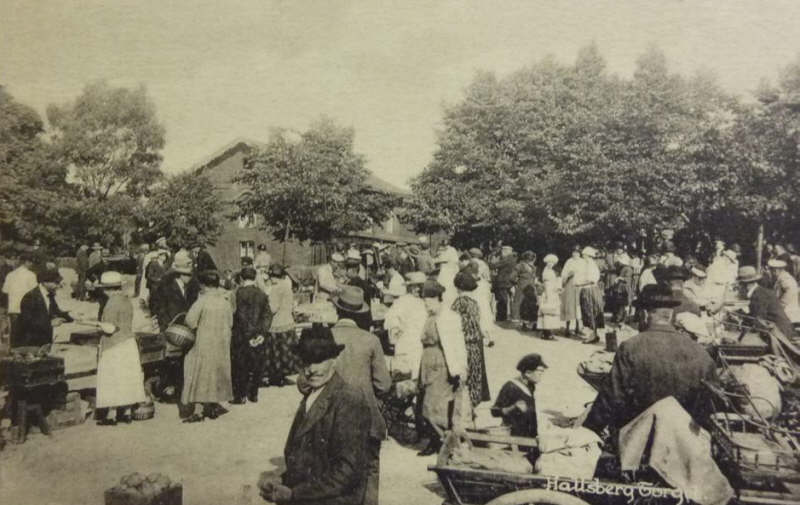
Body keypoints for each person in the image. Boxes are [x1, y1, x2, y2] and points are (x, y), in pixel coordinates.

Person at [583, 284, 717, 434]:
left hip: (639, 437)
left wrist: (589, 430)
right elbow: (710, 403)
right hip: (685, 439)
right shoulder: (700, 352)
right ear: (671, 315)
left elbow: (611, 398)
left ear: (645, 315)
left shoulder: (631, 347)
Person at [258, 326, 370, 505]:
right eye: (306, 361)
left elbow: (347, 472)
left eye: (318, 361)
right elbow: (309, 460)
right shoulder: (313, 395)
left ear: (334, 360)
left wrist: (294, 494)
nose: (311, 369)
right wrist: (283, 480)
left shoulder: (349, 399)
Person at [329, 315, 391, 505]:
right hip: (367, 417)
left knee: (332, 472)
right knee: (370, 467)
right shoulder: (371, 340)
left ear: (337, 310)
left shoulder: (325, 337)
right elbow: (383, 385)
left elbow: (304, 384)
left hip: (331, 417)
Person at [95, 271, 147, 426]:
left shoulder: (111, 304)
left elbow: (110, 328)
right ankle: (126, 412)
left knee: (112, 378)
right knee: (127, 378)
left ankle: (111, 414)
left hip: (114, 345)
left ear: (106, 289)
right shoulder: (126, 300)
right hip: (128, 342)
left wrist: (96, 325)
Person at [182, 270, 234, 423]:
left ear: (203, 285)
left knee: (200, 374)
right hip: (222, 343)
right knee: (217, 373)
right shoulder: (225, 302)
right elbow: (231, 323)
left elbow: (190, 321)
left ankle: (198, 411)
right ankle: (212, 406)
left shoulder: (202, 301)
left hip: (205, 343)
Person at [417, 280, 462, 455]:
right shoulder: (430, 316)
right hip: (427, 363)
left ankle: (442, 440)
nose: (426, 303)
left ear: (438, 298)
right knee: (427, 403)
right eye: (424, 300)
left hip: (440, 364)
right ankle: (435, 440)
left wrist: (457, 369)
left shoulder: (449, 318)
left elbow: (456, 345)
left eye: (429, 300)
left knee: (433, 405)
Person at [438, 271, 490, 416]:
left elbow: (452, 324)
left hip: (465, 343)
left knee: (463, 376)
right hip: (476, 343)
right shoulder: (474, 303)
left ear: (458, 287)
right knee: (475, 376)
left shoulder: (459, 302)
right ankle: (472, 407)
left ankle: (463, 409)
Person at [230, 267, 270, 404]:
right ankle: (254, 394)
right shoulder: (262, 294)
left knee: (240, 366)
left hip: (241, 336)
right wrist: (262, 334)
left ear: (241, 278)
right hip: (258, 336)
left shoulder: (237, 294)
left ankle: (240, 395)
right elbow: (267, 316)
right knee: (257, 365)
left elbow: (239, 316)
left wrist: (248, 336)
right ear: (254, 278)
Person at [491, 353, 547, 439]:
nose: (541, 377)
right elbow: (494, 411)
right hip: (515, 437)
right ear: (528, 373)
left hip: (530, 435)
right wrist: (512, 408)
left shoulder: (530, 386)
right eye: (539, 373)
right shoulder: (510, 387)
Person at [383, 271, 427, 379]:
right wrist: (396, 335)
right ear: (410, 287)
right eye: (416, 287)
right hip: (407, 346)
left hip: (418, 347)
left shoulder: (425, 302)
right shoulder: (401, 302)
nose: (418, 289)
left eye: (421, 286)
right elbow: (391, 324)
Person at [13, 269, 73, 348]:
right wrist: (50, 323)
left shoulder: (49, 295)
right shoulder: (30, 297)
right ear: (44, 282)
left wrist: (72, 318)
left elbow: (56, 311)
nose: (58, 286)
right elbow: (27, 322)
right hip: (30, 342)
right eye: (56, 283)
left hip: (43, 338)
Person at [737, 266, 796, 339]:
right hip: (780, 329)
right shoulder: (760, 292)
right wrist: (743, 315)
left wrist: (742, 321)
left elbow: (758, 321)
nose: (739, 289)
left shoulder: (758, 296)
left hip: (780, 334)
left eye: (739, 285)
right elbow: (758, 315)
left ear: (745, 285)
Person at [264, 264, 299, 386]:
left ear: (273, 276)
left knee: (276, 353)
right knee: (287, 352)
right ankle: (284, 376)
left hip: (277, 324)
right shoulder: (286, 285)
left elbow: (273, 308)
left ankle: (276, 377)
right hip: (288, 322)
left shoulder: (276, 288)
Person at [2, 253, 38, 342]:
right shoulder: (31, 275)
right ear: (27, 262)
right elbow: (35, 293)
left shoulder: (10, 274)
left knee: (14, 332)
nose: (32, 264)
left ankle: (13, 352)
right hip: (26, 308)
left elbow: (5, 291)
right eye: (31, 262)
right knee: (26, 333)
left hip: (13, 307)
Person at [576, 247, 606, 344]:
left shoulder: (591, 265)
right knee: (590, 311)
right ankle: (594, 334)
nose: (583, 257)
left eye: (584, 255)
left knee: (590, 311)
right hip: (589, 289)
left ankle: (592, 335)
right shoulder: (588, 264)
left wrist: (579, 283)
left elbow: (591, 279)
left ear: (588, 256)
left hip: (589, 290)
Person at [768, 259, 800, 323]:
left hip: (789, 313)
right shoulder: (781, 278)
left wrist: (781, 305)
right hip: (786, 313)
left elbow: (791, 291)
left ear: (776, 270)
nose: (771, 273)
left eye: (771, 271)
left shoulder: (785, 279)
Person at [537, 254, 561, 339]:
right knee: (548, 310)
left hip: (552, 292)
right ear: (546, 263)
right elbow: (546, 283)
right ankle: (547, 332)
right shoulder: (546, 271)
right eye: (549, 262)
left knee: (550, 311)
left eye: (552, 263)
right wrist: (548, 294)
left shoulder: (550, 271)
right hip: (548, 292)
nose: (551, 264)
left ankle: (547, 332)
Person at [560, 246, 582, 337]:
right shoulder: (569, 261)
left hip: (580, 285)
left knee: (578, 305)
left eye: (577, 252)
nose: (575, 254)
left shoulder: (583, 262)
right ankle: (567, 328)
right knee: (569, 305)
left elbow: (585, 273)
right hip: (570, 285)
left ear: (579, 253)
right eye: (573, 252)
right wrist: (568, 275)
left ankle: (578, 327)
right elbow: (563, 274)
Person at [491, 245, 517, 322]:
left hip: (503, 281)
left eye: (502, 251)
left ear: (506, 251)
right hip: (508, 281)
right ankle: (505, 316)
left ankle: (501, 317)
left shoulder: (507, 259)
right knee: (505, 299)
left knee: (502, 299)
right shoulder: (512, 259)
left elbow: (494, 265)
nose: (501, 253)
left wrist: (493, 260)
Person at [512, 251, 537, 328]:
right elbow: (512, 277)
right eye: (529, 258)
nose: (531, 260)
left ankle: (529, 322)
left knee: (530, 304)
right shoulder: (520, 266)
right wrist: (516, 283)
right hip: (522, 288)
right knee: (522, 304)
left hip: (531, 288)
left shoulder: (533, 267)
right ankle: (522, 322)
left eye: (531, 258)